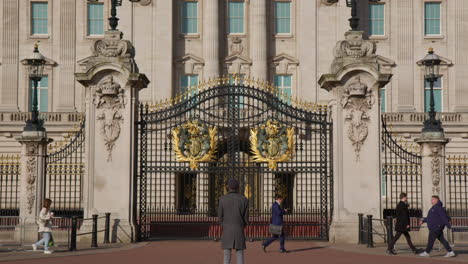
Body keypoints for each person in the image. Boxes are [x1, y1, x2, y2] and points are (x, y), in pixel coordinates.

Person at [218, 178, 249, 264]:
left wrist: (223, 225)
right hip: (239, 228)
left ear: (228, 187)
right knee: (240, 254)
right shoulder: (244, 199)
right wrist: (243, 225)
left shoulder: (222, 199)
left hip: (227, 229)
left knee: (227, 255)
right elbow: (246, 218)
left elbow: (220, 217)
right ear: (238, 187)